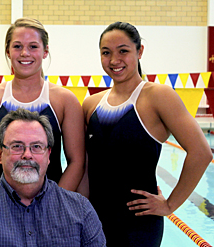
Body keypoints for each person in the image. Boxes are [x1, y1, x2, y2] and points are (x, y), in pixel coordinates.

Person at [79, 21, 212, 247]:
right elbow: (83, 164)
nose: (114, 60)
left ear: (139, 51)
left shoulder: (158, 96)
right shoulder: (91, 104)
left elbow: (201, 153)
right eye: (106, 52)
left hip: (139, 224)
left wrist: (170, 205)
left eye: (123, 51)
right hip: (94, 219)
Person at [0, 108, 106, 246]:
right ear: (0, 154)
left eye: (36, 146)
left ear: (48, 154)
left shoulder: (80, 210)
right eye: (17, 146)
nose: (27, 155)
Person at [0, 17, 85, 193]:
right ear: (7, 51)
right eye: (17, 46)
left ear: (45, 51)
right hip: (1, 205)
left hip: (49, 205)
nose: (25, 53)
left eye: (33, 46)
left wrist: (53, 203)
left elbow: (76, 162)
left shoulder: (65, 100)